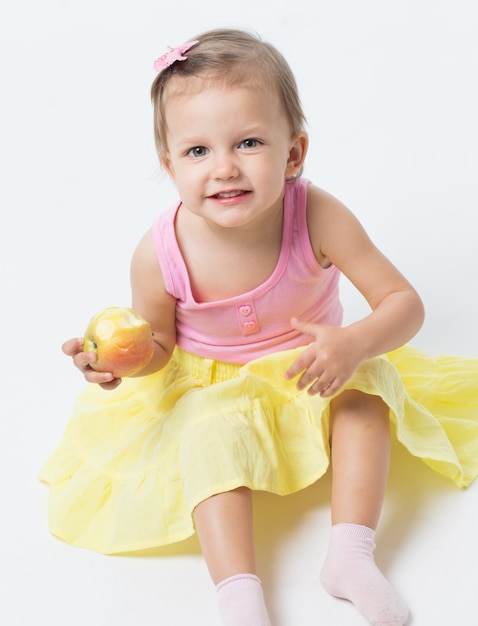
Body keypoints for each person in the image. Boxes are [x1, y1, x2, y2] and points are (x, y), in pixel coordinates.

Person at [40, 28, 478, 626]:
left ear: (293, 153)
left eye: (248, 142)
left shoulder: (317, 215)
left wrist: (352, 344)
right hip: (209, 388)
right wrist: (121, 362)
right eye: (197, 152)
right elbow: (160, 347)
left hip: (312, 368)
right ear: (170, 166)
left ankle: (350, 554)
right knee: (204, 438)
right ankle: (239, 593)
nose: (224, 169)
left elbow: (403, 301)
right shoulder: (159, 251)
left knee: (369, 392)